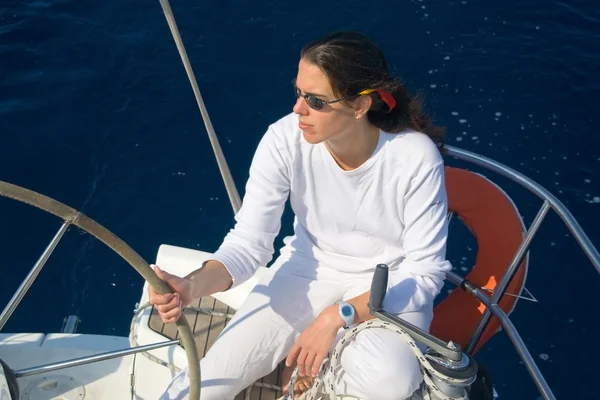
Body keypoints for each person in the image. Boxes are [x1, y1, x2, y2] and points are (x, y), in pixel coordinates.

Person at [149, 31, 452, 400]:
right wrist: (190, 287)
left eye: (316, 101)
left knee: (390, 383)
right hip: (305, 272)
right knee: (205, 383)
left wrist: (336, 316)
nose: (298, 110)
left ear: (360, 106)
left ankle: (320, 364)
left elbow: (425, 274)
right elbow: (249, 244)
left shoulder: (414, 157)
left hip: (389, 289)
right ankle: (315, 362)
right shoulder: (283, 140)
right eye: (298, 93)